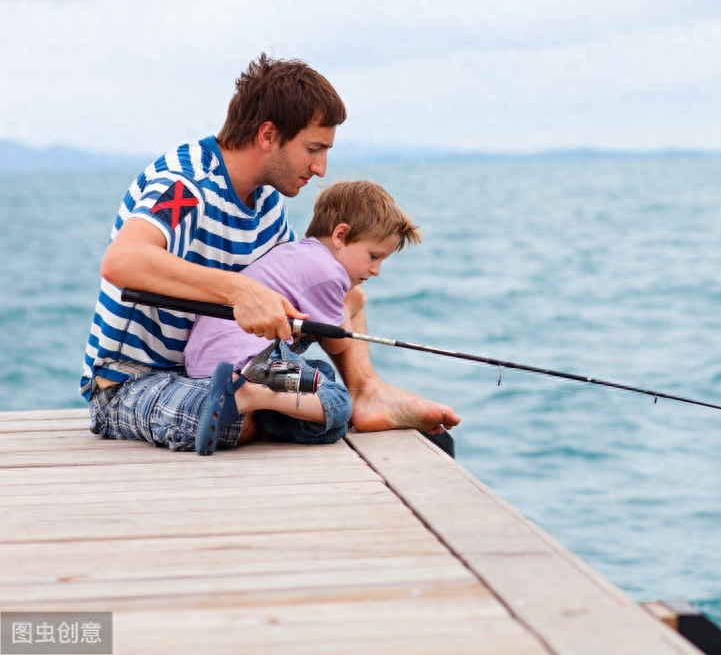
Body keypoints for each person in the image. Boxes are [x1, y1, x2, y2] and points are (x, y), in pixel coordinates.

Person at [82, 53, 460, 451]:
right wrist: (237, 291)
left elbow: (315, 281)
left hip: (228, 367)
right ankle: (268, 403)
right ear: (267, 135)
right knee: (231, 419)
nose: (321, 169)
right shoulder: (184, 184)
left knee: (343, 293)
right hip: (131, 380)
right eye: (313, 149)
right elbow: (122, 260)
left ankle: (365, 391)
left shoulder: (266, 203)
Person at [182, 180, 421, 453]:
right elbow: (338, 344)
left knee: (324, 385)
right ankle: (246, 394)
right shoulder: (330, 273)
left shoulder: (297, 251)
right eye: (374, 256)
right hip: (248, 360)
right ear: (340, 236)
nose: (376, 270)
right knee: (340, 403)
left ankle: (261, 407)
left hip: (206, 361)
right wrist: (349, 304)